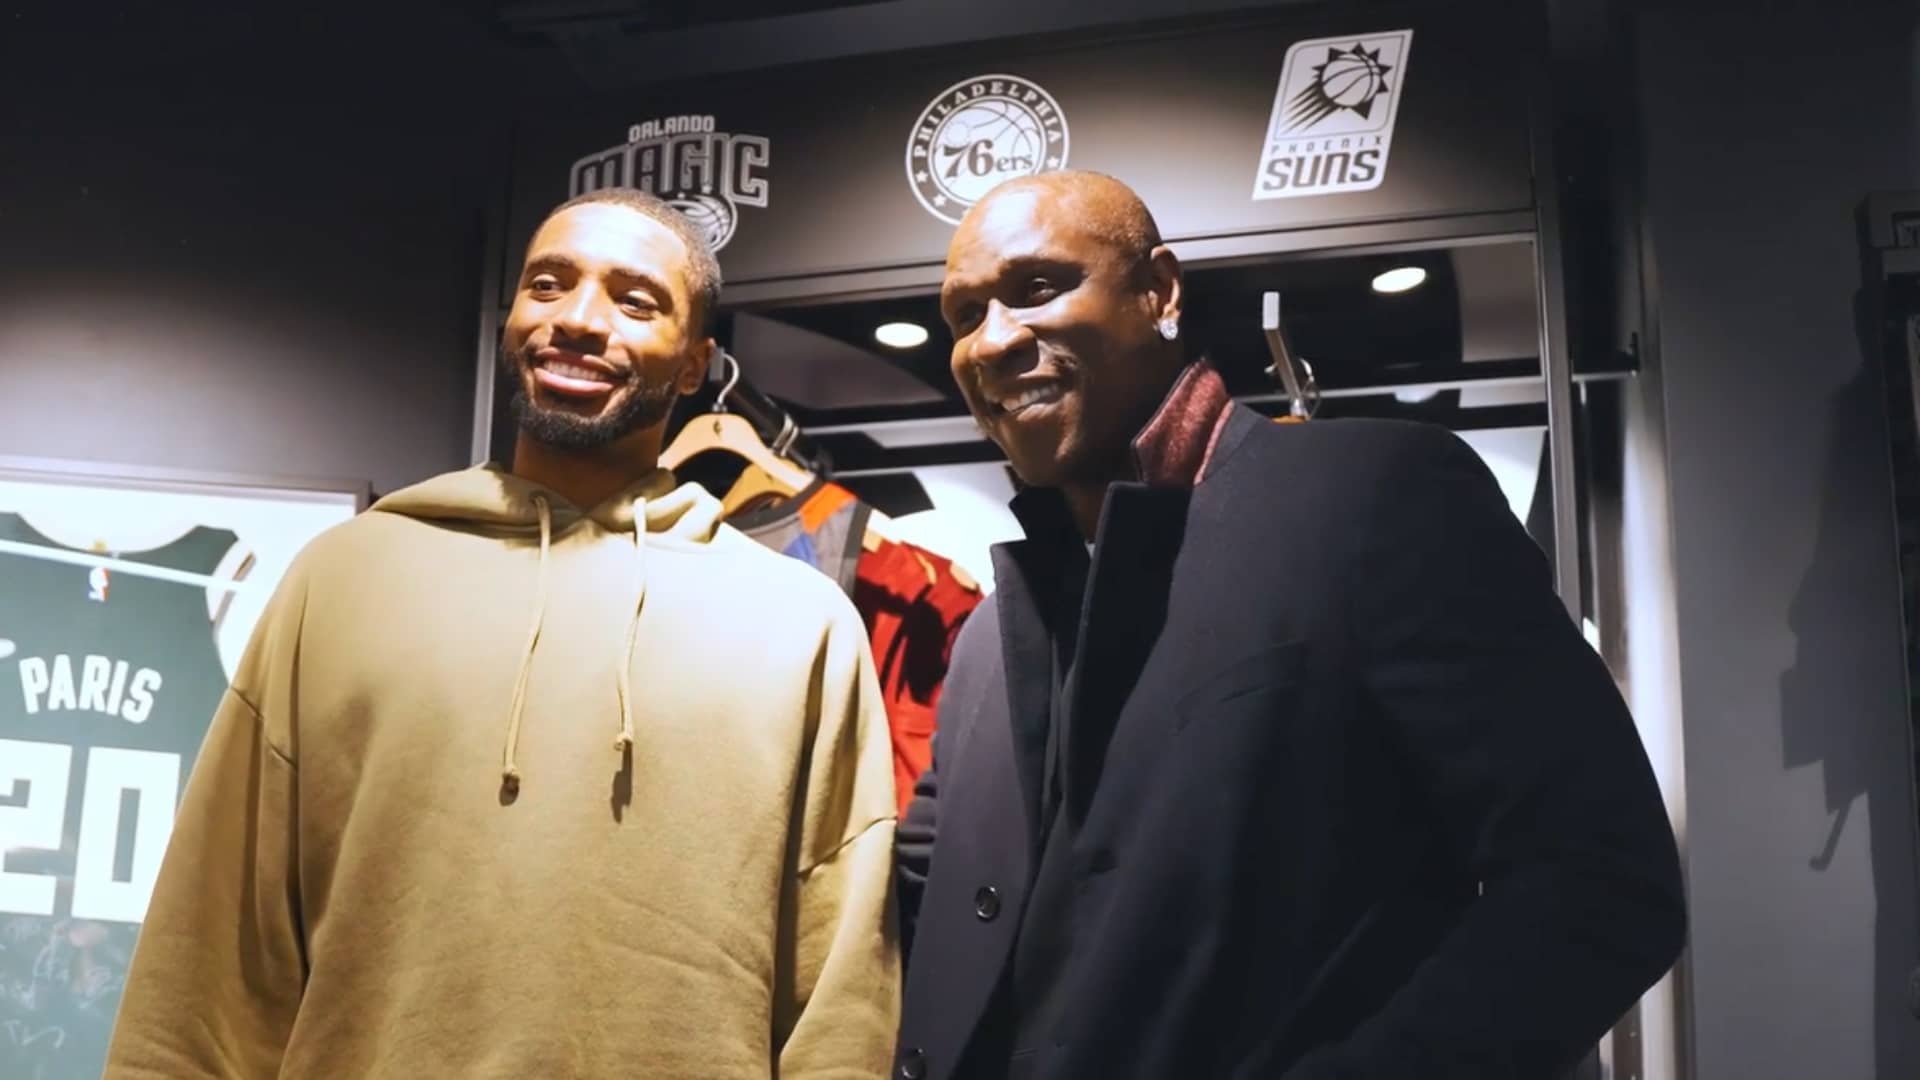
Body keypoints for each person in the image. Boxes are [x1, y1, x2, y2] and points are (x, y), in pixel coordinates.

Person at [893, 171, 1687, 1080]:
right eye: (963, 316)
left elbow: (1598, 881)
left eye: (1038, 288)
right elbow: (916, 909)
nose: (992, 341)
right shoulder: (991, 637)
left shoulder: (1377, 500)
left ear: (1160, 290)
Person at [104, 188, 901, 1077]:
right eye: (548, 286)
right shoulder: (344, 580)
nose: (578, 320)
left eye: (635, 301)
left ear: (694, 366)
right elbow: (215, 952)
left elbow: (840, 997)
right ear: (512, 316)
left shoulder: (798, 626)